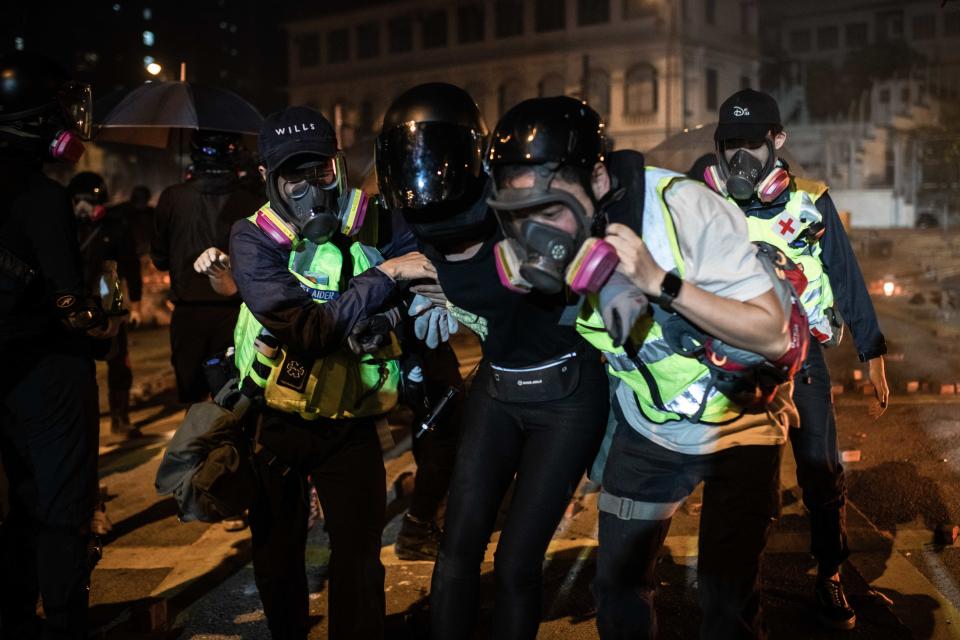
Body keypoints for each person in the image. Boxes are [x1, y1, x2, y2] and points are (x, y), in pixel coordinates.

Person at [485, 96, 804, 639]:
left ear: (599, 177)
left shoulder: (684, 211)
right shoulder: (540, 242)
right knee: (619, 589)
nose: (535, 231)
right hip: (650, 432)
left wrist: (661, 282)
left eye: (550, 209)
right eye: (520, 214)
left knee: (728, 602)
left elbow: (771, 333)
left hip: (741, 429)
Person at [376, 84, 609, 639]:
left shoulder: (515, 205)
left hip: (569, 397)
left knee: (515, 564)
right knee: (456, 549)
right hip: (498, 387)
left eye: (436, 157)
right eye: (410, 159)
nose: (423, 176)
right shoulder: (412, 233)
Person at [229, 105, 434, 639]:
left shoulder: (381, 218)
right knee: (277, 555)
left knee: (360, 559)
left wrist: (388, 315)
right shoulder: (253, 239)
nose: (310, 189)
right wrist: (383, 278)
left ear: (339, 165)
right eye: (292, 175)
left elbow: (423, 291)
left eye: (319, 170)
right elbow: (308, 331)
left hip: (352, 421)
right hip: (273, 421)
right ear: (267, 179)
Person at [703, 88, 889, 630]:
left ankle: (830, 573)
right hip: (733, 366)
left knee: (821, 474)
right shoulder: (706, 205)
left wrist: (872, 351)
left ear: (777, 142)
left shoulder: (811, 200)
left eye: (751, 145)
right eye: (729, 145)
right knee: (743, 484)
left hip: (802, 363)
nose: (740, 159)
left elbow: (845, 276)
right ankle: (738, 591)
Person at [0, 50, 120, 639]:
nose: (67, 127)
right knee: (60, 507)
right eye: (57, 116)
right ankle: (70, 622)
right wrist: (106, 320)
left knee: (16, 507)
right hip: (49, 375)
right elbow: (72, 307)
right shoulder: (43, 196)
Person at [151, 130, 263, 404]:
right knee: (237, 399)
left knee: (193, 402)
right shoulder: (252, 200)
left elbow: (160, 258)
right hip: (239, 313)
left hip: (188, 315)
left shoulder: (172, 197)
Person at [69, 171, 143, 439]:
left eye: (88, 200)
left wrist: (135, 300)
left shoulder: (115, 226)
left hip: (109, 290)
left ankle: (120, 418)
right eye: (78, 200)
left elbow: (130, 265)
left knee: (118, 357)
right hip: (76, 296)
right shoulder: (64, 228)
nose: (83, 207)